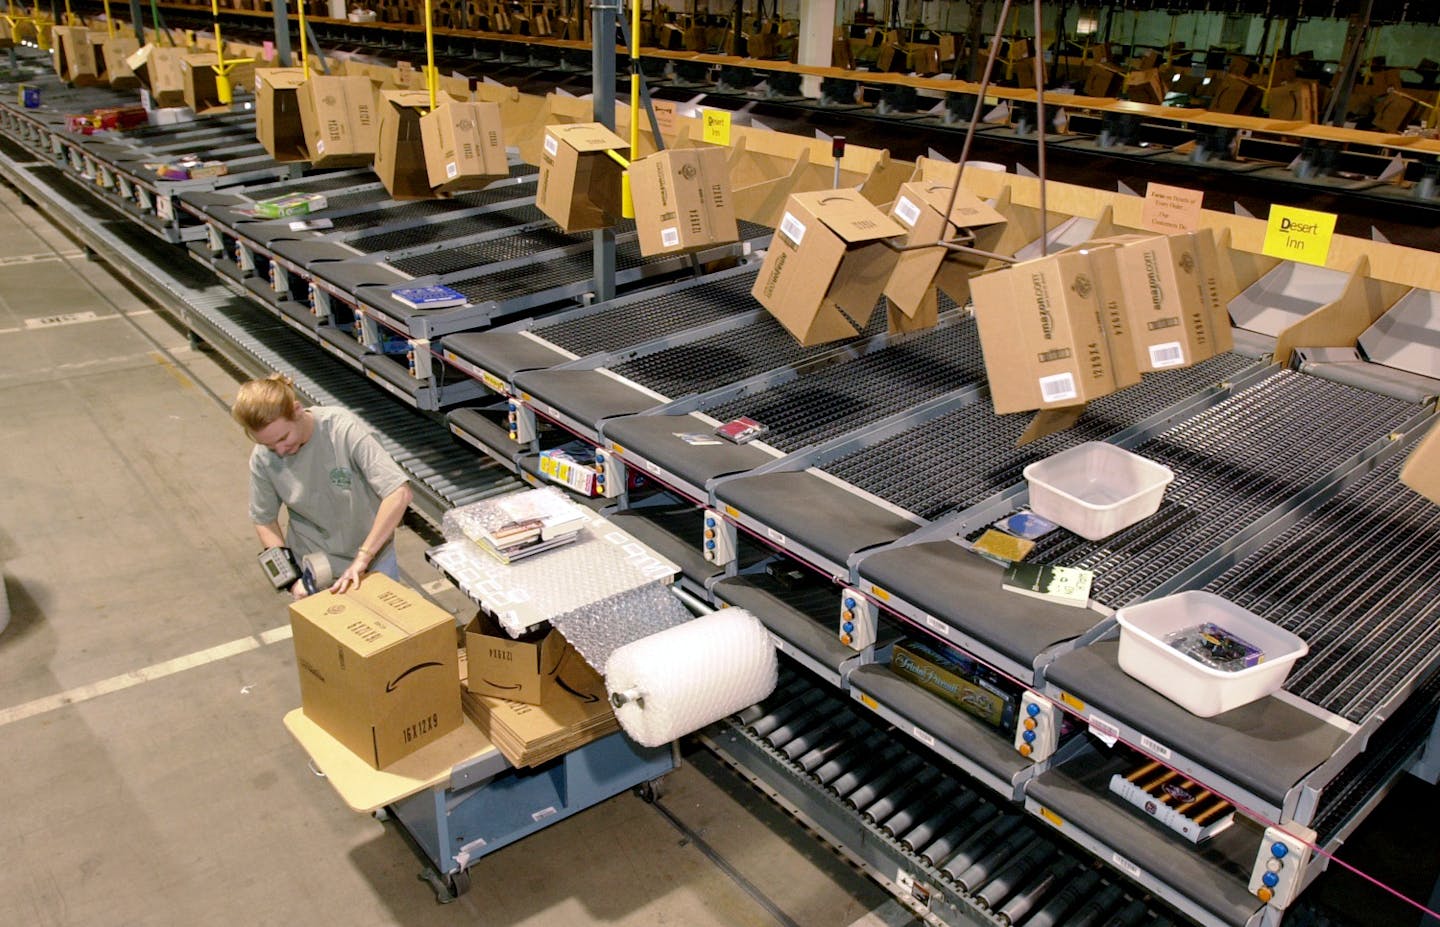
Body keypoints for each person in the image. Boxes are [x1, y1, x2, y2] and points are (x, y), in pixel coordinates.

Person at [232, 374, 412, 598]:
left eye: (283, 438)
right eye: (268, 445)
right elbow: (264, 519)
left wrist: (363, 558)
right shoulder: (263, 458)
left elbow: (398, 492)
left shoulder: (342, 431)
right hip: (313, 569)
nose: (279, 451)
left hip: (371, 562)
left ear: (297, 410)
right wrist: (292, 580)